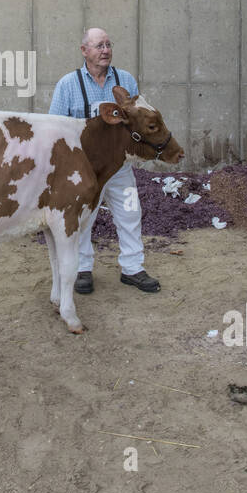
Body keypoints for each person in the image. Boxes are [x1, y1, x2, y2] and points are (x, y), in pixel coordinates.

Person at [48, 29, 159, 296]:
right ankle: (83, 269)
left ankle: (133, 268)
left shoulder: (126, 81)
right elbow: (54, 127)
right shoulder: (68, 84)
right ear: (84, 50)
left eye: (108, 45)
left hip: (119, 168)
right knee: (84, 219)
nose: (106, 50)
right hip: (84, 170)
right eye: (99, 45)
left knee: (130, 212)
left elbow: (141, 120)